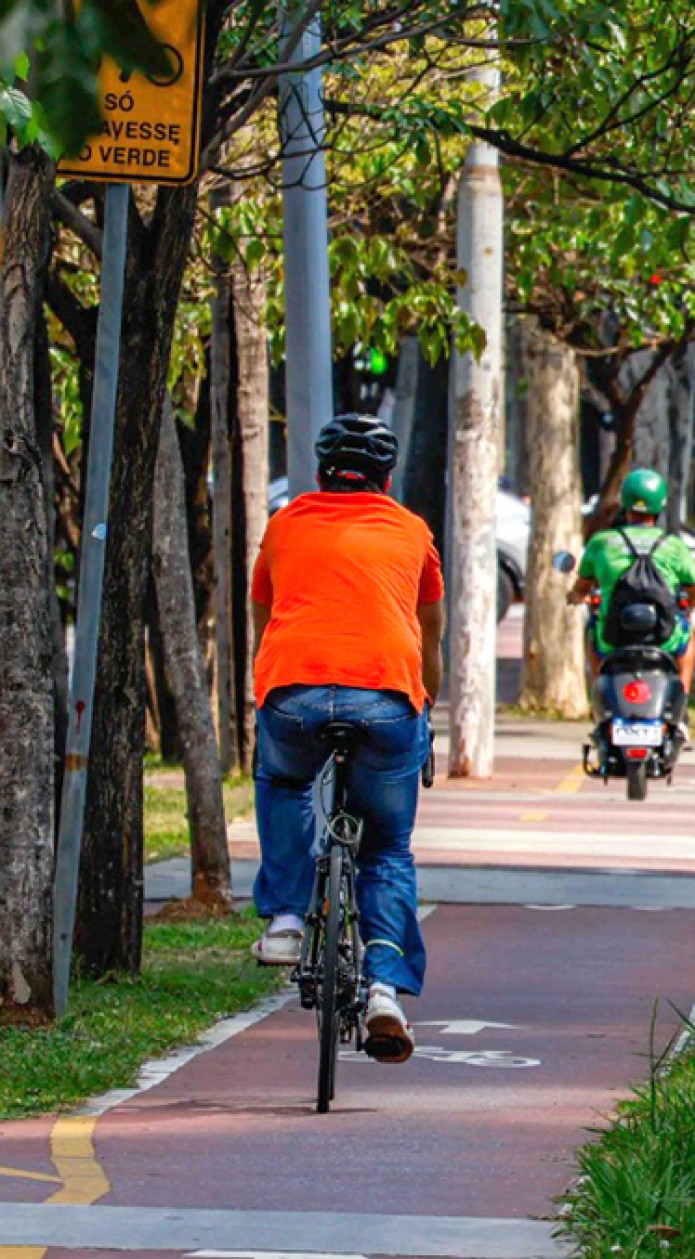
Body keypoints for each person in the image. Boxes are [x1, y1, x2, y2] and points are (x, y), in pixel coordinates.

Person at [249, 415, 442, 1065]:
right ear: (386, 479)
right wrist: (425, 700)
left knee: (283, 780)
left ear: (320, 473)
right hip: (386, 695)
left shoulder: (284, 524)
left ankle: (284, 919)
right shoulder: (412, 531)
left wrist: (274, 686)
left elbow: (264, 613)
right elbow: (429, 630)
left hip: (294, 691)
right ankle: (384, 988)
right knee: (385, 845)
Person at [568, 468, 695, 696]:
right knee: (687, 633)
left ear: (624, 503)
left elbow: (582, 587)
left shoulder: (601, 543)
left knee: (593, 631)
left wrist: (575, 596)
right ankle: (681, 696)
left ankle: (600, 693)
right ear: (660, 506)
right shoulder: (673, 546)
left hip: (613, 639)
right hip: (664, 639)